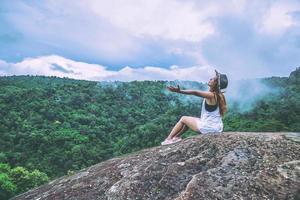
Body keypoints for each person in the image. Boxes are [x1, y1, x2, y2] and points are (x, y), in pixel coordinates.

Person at [161, 70, 228, 145]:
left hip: (209, 128)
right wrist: (217, 76)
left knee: (183, 119)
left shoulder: (211, 95)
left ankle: (168, 139)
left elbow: (195, 92)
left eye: (213, 79)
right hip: (217, 127)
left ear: (215, 84)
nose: (210, 79)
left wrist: (179, 91)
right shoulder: (220, 95)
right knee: (189, 121)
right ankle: (176, 137)